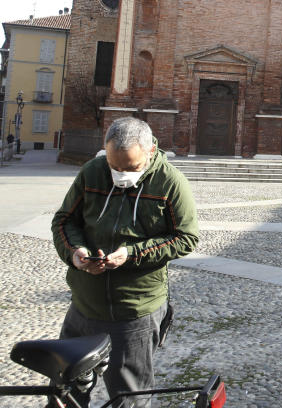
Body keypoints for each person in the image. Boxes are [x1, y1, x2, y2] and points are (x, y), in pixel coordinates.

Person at [51, 117, 199, 407]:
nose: (120, 173)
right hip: (83, 306)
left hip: (135, 312)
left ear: (151, 152)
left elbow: (185, 238)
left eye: (129, 167)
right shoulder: (93, 172)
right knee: (64, 391)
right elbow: (64, 221)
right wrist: (76, 253)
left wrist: (131, 254)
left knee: (129, 397)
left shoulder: (170, 182)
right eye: (113, 166)